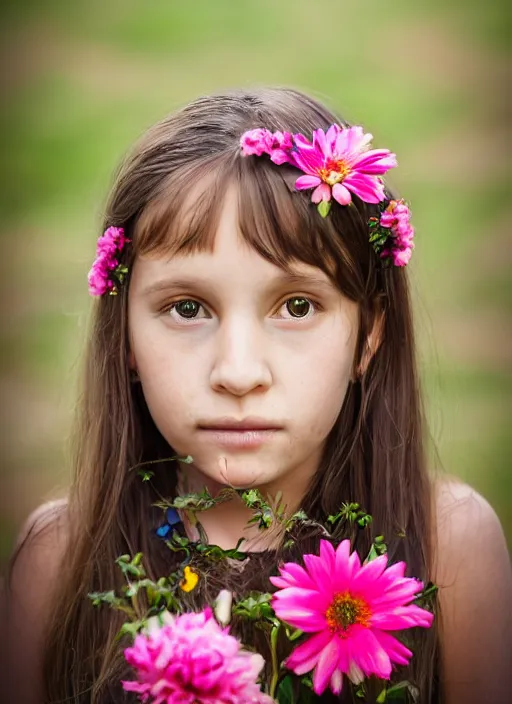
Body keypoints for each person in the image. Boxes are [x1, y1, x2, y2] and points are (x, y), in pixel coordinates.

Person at [2, 87, 511, 703]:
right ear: (126, 339)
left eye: (296, 306)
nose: (239, 373)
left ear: (369, 332)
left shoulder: (450, 545)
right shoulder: (57, 561)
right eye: (187, 308)